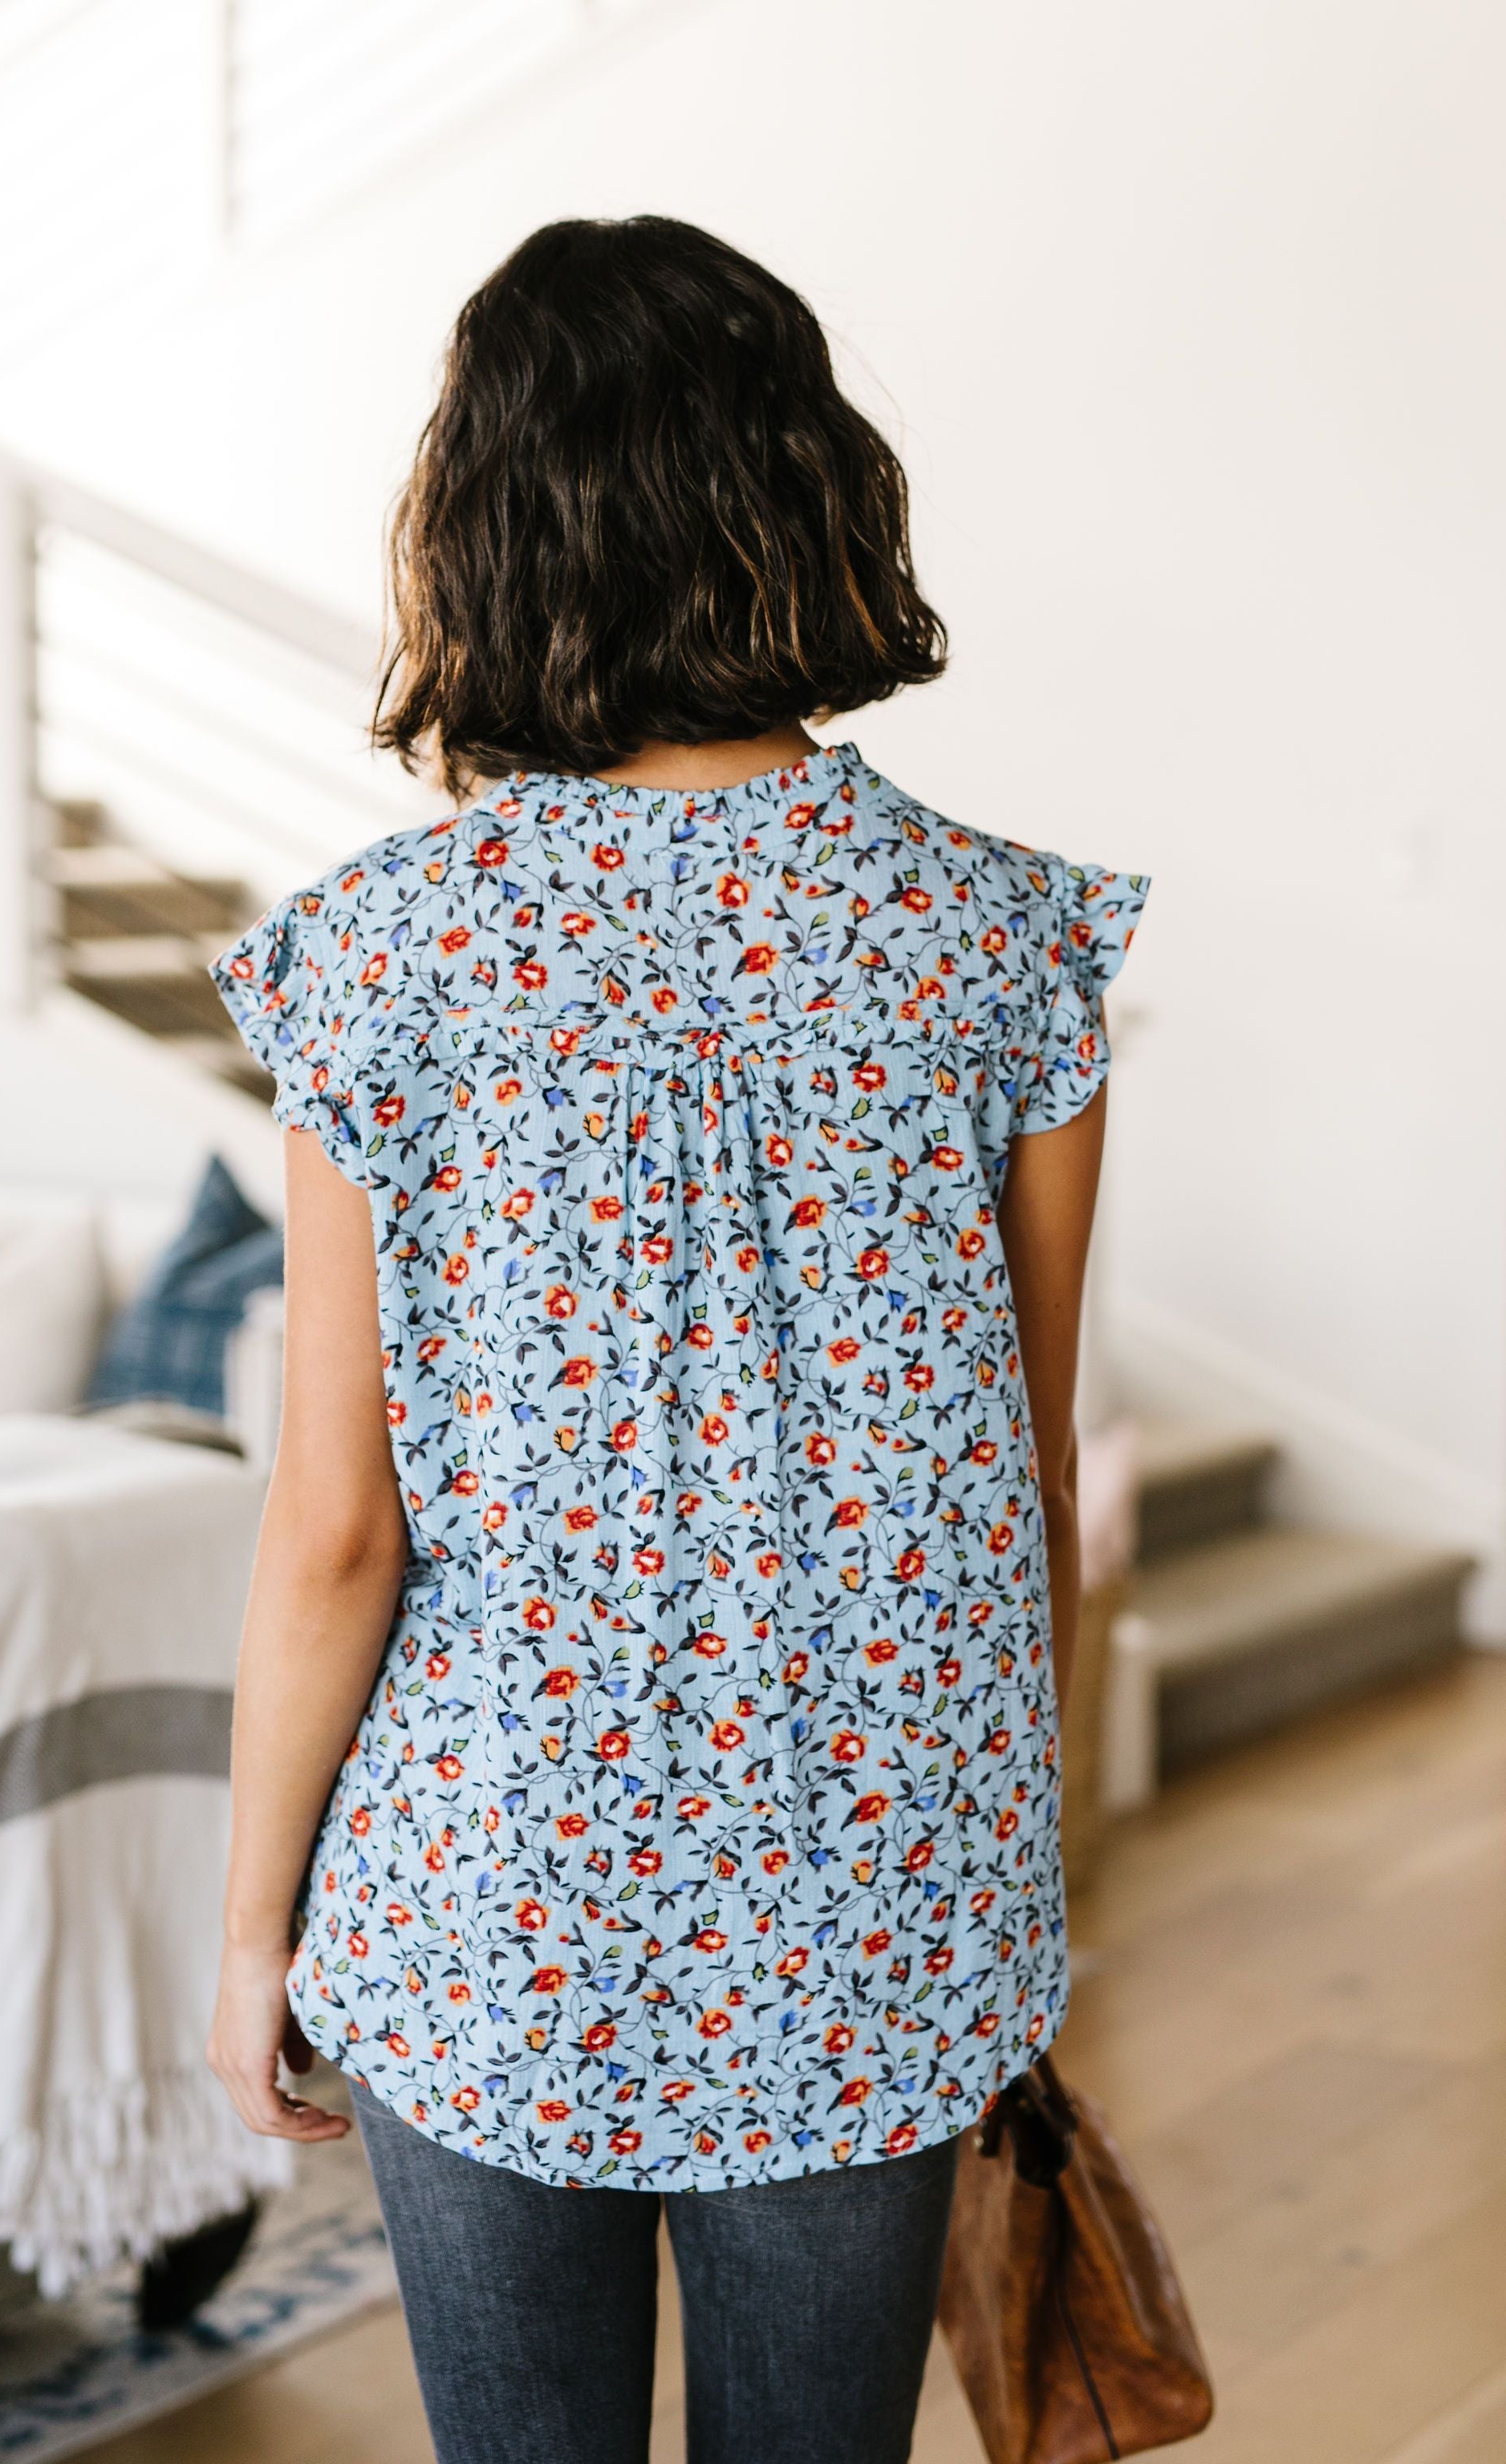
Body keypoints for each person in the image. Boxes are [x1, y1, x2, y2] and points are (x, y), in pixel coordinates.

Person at [208, 215, 1147, 2464]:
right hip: (874, 1883)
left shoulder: (386, 957)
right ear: (810, 486)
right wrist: (996, 1882)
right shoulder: (1005, 939)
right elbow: (1015, 1481)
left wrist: (252, 1932)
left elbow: (336, 1530)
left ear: (490, 520)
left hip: (490, 1881)